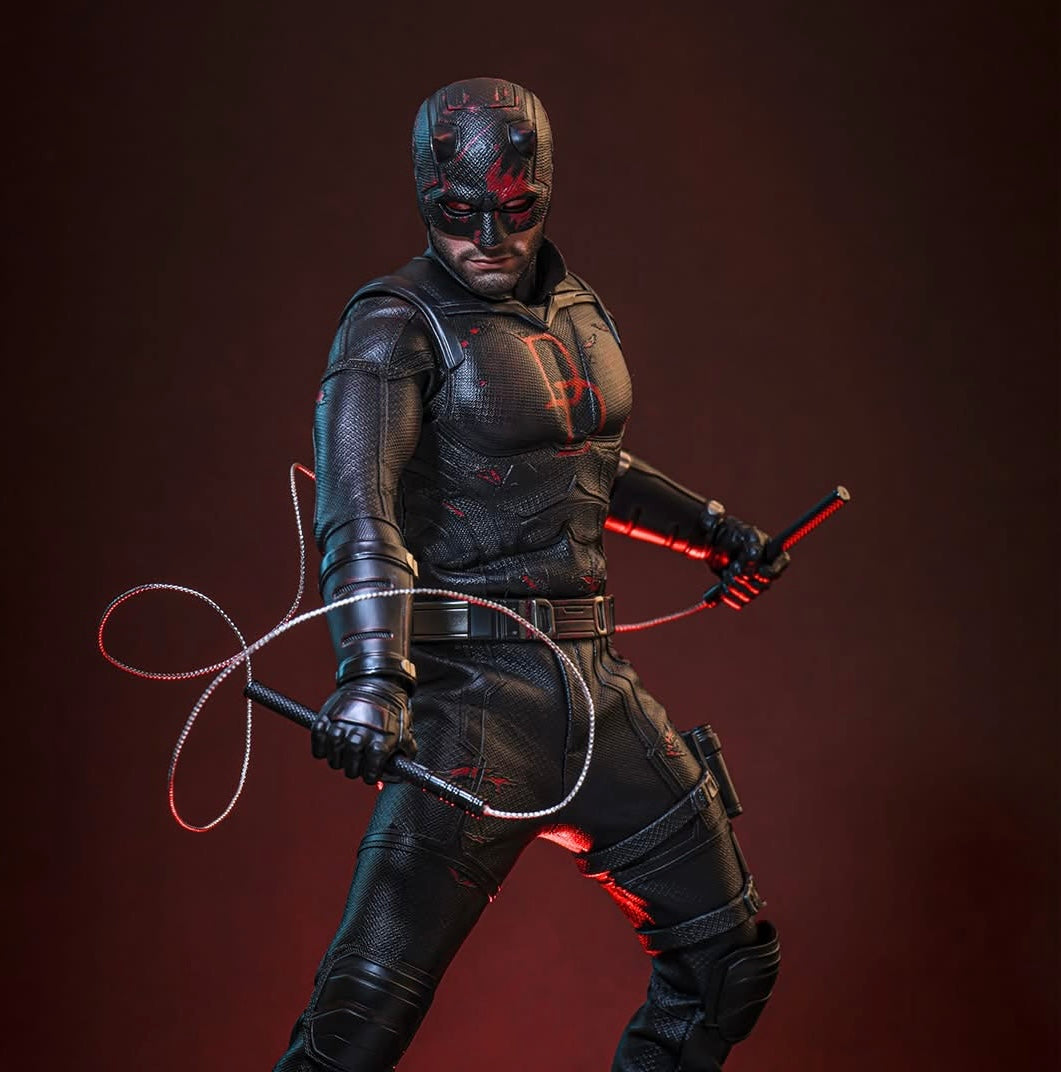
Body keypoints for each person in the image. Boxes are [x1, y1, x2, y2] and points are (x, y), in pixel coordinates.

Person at [275, 76, 788, 1072]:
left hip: (598, 698)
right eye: (457, 211)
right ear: (424, 195)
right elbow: (358, 508)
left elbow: (586, 462)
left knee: (726, 965)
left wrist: (714, 532)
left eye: (515, 210)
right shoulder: (392, 328)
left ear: (546, 191)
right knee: (353, 1031)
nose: (487, 237)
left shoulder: (576, 309)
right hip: (473, 713)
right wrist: (373, 673)